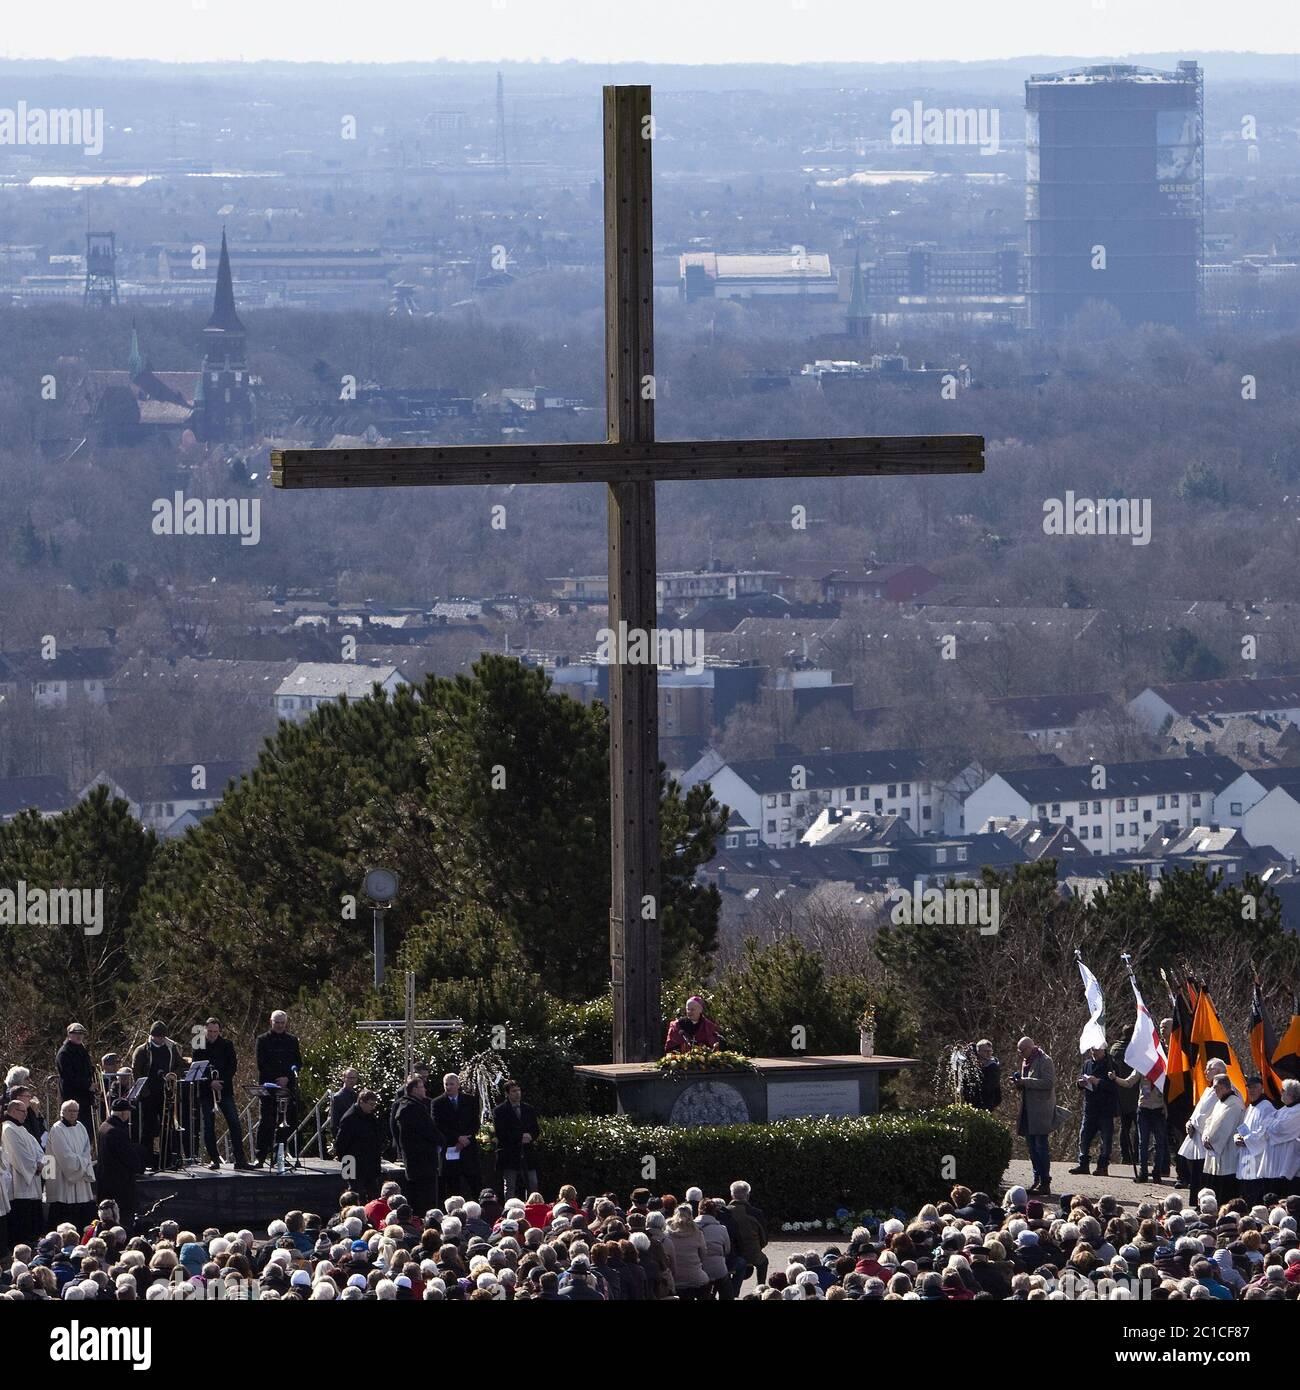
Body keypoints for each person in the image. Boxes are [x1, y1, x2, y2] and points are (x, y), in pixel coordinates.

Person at [192, 1018, 249, 1170]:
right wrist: (210, 1082)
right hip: (206, 1092)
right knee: (208, 1127)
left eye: (215, 1032)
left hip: (224, 1090)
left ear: (219, 1031)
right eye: (209, 1031)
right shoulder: (198, 1045)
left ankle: (240, 1159)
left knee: (235, 1124)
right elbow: (196, 1069)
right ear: (205, 1030)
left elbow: (232, 1066)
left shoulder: (227, 1045)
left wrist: (220, 1082)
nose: (212, 1034)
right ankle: (214, 1159)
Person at [131, 1022, 183, 1171]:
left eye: (161, 1037)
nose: (159, 1039)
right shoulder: (142, 1050)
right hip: (149, 1095)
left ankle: (166, 1160)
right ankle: (146, 1161)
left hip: (167, 1093)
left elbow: (180, 1066)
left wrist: (174, 1076)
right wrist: (145, 1093)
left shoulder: (171, 1048)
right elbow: (137, 1072)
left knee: (167, 1127)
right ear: (151, 1036)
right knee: (148, 1128)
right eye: (156, 1036)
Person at [253, 1010, 302, 1167]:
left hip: (287, 1087)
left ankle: (279, 1155)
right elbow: (262, 1064)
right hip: (269, 1086)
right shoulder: (262, 1040)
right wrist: (277, 1078)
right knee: (266, 1121)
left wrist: (287, 1077)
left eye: (282, 1022)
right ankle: (260, 1156)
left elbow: (297, 1062)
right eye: (277, 1022)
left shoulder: (292, 1040)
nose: (280, 1025)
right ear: (271, 1022)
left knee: (285, 1123)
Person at [1012, 1036, 1057, 1196]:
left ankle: (1045, 1181)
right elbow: (1027, 1084)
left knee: (1041, 1147)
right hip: (1028, 1110)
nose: (1020, 1054)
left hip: (1041, 1111)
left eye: (1022, 1050)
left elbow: (1048, 1082)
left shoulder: (1045, 1060)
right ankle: (1037, 1178)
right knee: (1032, 1148)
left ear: (1030, 1047)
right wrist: (1019, 1083)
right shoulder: (1027, 1061)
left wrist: (1026, 1081)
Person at [1178, 1058, 1227, 1196]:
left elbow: (1211, 1114)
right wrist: (1189, 1121)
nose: (1205, 1072)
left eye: (1208, 1069)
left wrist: (1195, 1124)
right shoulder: (1209, 1089)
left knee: (1204, 1174)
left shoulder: (1223, 1091)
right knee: (1196, 1172)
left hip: (1207, 1138)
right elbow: (1198, 1111)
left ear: (1218, 1071)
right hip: (1196, 1137)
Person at [46, 1099, 96, 1232]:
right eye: (70, 1111)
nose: (73, 1113)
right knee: (65, 1209)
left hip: (80, 1175)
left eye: (75, 1111)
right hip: (64, 1176)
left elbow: (87, 1149)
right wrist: (82, 1163)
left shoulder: (81, 1126)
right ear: (62, 1112)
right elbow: (64, 1155)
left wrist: (83, 1161)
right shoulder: (57, 1129)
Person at [1115, 1060, 1169, 1184]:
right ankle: (1143, 1173)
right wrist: (1115, 1078)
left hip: (1158, 1110)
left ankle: (1157, 1173)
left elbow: (1170, 1089)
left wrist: (1167, 1109)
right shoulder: (1141, 1066)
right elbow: (1129, 1082)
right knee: (1142, 1143)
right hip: (1144, 1109)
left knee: (1159, 1144)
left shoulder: (1164, 1067)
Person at [97, 1096, 145, 1234]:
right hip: (119, 1185)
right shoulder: (116, 1131)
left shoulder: (104, 1126)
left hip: (106, 1182)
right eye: (128, 1112)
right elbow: (128, 1157)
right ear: (124, 1113)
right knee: (122, 1220)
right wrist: (138, 1165)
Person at [1, 1097, 44, 1247]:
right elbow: (18, 1155)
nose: (25, 1115)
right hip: (19, 1182)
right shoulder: (8, 1128)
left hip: (30, 1179)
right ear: (12, 1111)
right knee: (21, 1216)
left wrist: (41, 1162)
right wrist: (34, 1166)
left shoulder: (21, 1128)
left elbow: (38, 1148)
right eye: (22, 1111)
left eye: (26, 1111)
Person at [394, 1076, 440, 1214]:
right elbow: (427, 1130)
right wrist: (441, 1140)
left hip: (417, 1159)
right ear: (414, 1090)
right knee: (424, 1198)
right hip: (421, 1160)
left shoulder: (409, 1106)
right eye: (421, 1087)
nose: (424, 1089)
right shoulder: (412, 1108)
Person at [432, 1071, 481, 1201]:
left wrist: (466, 1139)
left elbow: (475, 1122)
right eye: (446, 1084)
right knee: (453, 1186)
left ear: (458, 1085)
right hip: (450, 1148)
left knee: (474, 1183)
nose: (448, 1087)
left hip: (468, 1147)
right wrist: (457, 1138)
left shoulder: (469, 1100)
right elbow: (439, 1126)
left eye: (451, 1084)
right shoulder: (437, 1103)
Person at [1071, 1043, 1117, 1176]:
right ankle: (1083, 1164)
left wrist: (1098, 1082)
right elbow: (1081, 1079)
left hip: (1105, 1108)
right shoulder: (1087, 1064)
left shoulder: (1111, 1065)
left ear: (1103, 1050)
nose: (1093, 1052)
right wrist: (1080, 1083)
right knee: (1084, 1136)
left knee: (1106, 1139)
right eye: (1091, 1049)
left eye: (1096, 1049)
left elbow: (1115, 1088)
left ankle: (1102, 1166)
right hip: (1090, 1107)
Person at [493, 1080, 541, 1202]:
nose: (517, 1093)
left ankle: (533, 1208)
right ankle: (509, 1211)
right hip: (510, 1153)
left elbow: (535, 1129)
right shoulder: (500, 1111)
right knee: (510, 1186)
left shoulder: (528, 1109)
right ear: (507, 1094)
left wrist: (530, 1136)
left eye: (518, 1090)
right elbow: (501, 1132)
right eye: (514, 1091)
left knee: (533, 1183)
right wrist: (520, 1137)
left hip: (527, 1152)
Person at [1201, 1073, 1246, 1204]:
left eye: (1215, 1087)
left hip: (1228, 1154)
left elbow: (1223, 1127)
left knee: (1225, 1192)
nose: (1214, 1091)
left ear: (1223, 1087)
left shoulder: (1234, 1103)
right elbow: (1209, 1121)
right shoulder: (1221, 1102)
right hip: (1216, 1152)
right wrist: (1205, 1136)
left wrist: (1210, 1140)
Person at [1233, 1075, 1277, 1206]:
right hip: (1245, 1154)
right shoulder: (1251, 1107)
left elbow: (1264, 1131)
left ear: (1262, 1088)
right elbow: (1244, 1127)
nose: (1251, 1090)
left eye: (1255, 1087)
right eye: (1249, 1087)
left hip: (1257, 1156)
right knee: (1245, 1189)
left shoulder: (1266, 1107)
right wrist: (1237, 1137)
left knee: (1254, 1190)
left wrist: (1246, 1140)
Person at [56, 1023, 96, 1144]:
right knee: (73, 1133)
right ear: (69, 1035)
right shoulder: (64, 1053)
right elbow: (68, 1077)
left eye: (81, 1034)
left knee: (87, 1132)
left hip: (85, 1099)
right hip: (71, 1098)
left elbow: (89, 1070)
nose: (79, 1036)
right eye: (75, 1033)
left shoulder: (82, 1051)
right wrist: (87, 1085)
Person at [963, 1040, 1001, 1110]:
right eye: (985, 1051)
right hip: (974, 1103)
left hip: (987, 1103)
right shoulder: (974, 1064)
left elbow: (988, 1088)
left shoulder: (992, 1066)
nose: (988, 1053)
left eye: (990, 1051)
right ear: (978, 1052)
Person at [330, 1068, 361, 1136]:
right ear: (344, 1079)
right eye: (349, 1078)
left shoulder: (357, 1096)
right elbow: (334, 1123)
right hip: (344, 1136)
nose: (351, 1080)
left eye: (354, 1078)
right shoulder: (337, 1097)